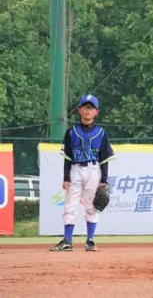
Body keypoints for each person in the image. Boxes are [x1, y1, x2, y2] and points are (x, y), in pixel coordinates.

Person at [50, 94, 115, 252]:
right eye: (85, 107)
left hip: (93, 170)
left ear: (96, 112)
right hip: (75, 170)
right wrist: (66, 177)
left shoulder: (101, 133)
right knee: (70, 205)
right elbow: (67, 157)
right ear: (79, 110)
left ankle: (90, 240)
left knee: (92, 206)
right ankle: (67, 241)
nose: (87, 110)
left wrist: (104, 180)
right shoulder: (71, 132)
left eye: (91, 107)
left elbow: (104, 159)